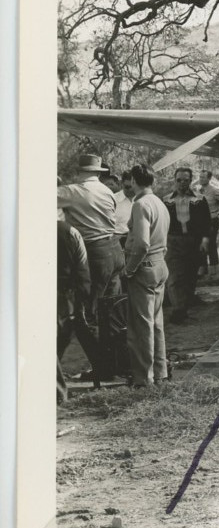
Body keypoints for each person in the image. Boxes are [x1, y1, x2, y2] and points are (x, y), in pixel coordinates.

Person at [57, 154, 127, 383]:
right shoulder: (107, 191)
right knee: (112, 312)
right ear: (98, 173)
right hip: (115, 250)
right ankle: (117, 363)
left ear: (79, 171)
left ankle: (103, 368)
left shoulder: (74, 191)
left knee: (86, 316)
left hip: (95, 254)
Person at [122, 164, 170, 387]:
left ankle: (144, 379)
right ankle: (160, 374)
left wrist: (129, 269)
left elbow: (141, 244)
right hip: (160, 264)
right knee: (156, 323)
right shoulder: (159, 202)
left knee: (141, 326)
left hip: (144, 267)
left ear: (133, 180)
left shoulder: (140, 204)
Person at [163, 166, 211, 322]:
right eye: (178, 180)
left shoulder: (199, 199)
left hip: (194, 241)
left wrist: (205, 240)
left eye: (185, 180)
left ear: (191, 181)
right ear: (174, 180)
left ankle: (184, 307)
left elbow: (207, 221)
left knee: (191, 276)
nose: (182, 183)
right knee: (175, 277)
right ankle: (178, 311)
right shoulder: (166, 200)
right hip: (173, 241)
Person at [56, 212, 89, 402]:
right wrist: (82, 298)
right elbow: (82, 266)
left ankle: (57, 389)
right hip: (66, 295)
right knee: (61, 336)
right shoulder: (71, 231)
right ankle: (58, 391)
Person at [197, 169, 219, 269]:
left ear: (209, 179)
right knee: (200, 243)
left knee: (211, 244)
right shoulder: (197, 190)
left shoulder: (214, 190)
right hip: (200, 221)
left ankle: (214, 267)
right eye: (200, 177)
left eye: (203, 177)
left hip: (212, 220)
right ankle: (203, 266)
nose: (200, 179)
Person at [101, 170, 133, 237]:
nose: (131, 190)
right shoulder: (112, 200)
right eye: (127, 187)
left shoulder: (143, 200)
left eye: (133, 187)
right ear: (121, 183)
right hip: (117, 240)